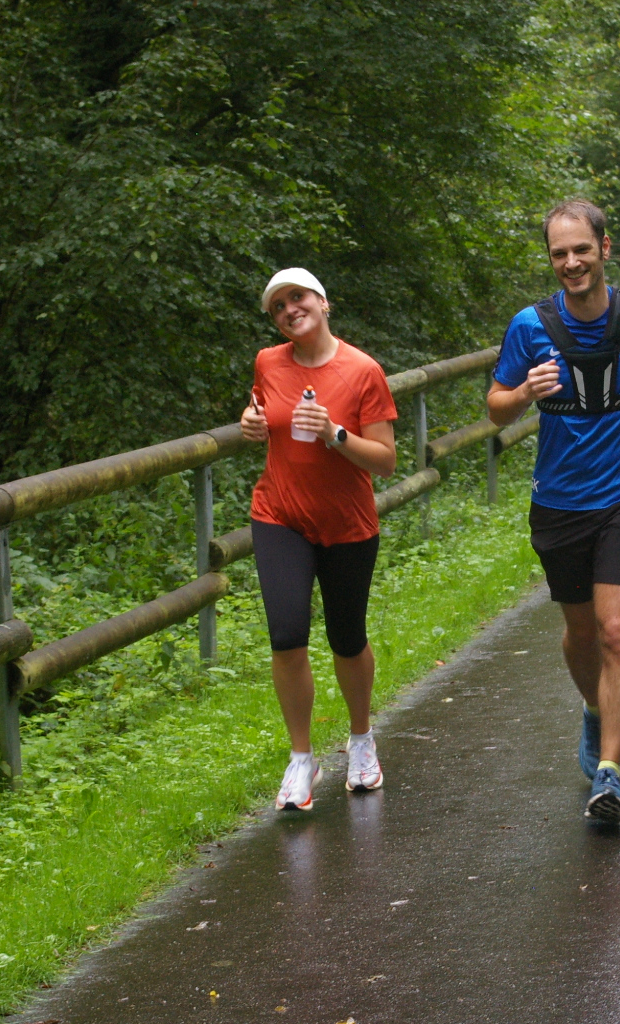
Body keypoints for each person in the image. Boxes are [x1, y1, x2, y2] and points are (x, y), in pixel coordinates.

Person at [487, 200, 620, 823]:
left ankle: (609, 773)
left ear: (604, 249)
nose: (572, 262)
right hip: (558, 500)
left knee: (616, 631)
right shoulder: (530, 325)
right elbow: (496, 406)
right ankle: (593, 708)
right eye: (560, 253)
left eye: (582, 249)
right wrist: (523, 392)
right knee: (581, 633)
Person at [239, 268, 399, 811]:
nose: (290, 309)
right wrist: (251, 421)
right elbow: (261, 410)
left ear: (323, 302)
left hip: (347, 523)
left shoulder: (363, 370)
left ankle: (361, 739)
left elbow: (386, 461)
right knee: (286, 635)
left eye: (298, 297)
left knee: (346, 637)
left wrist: (335, 432)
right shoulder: (268, 361)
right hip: (279, 515)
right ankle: (301, 759)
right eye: (278, 306)